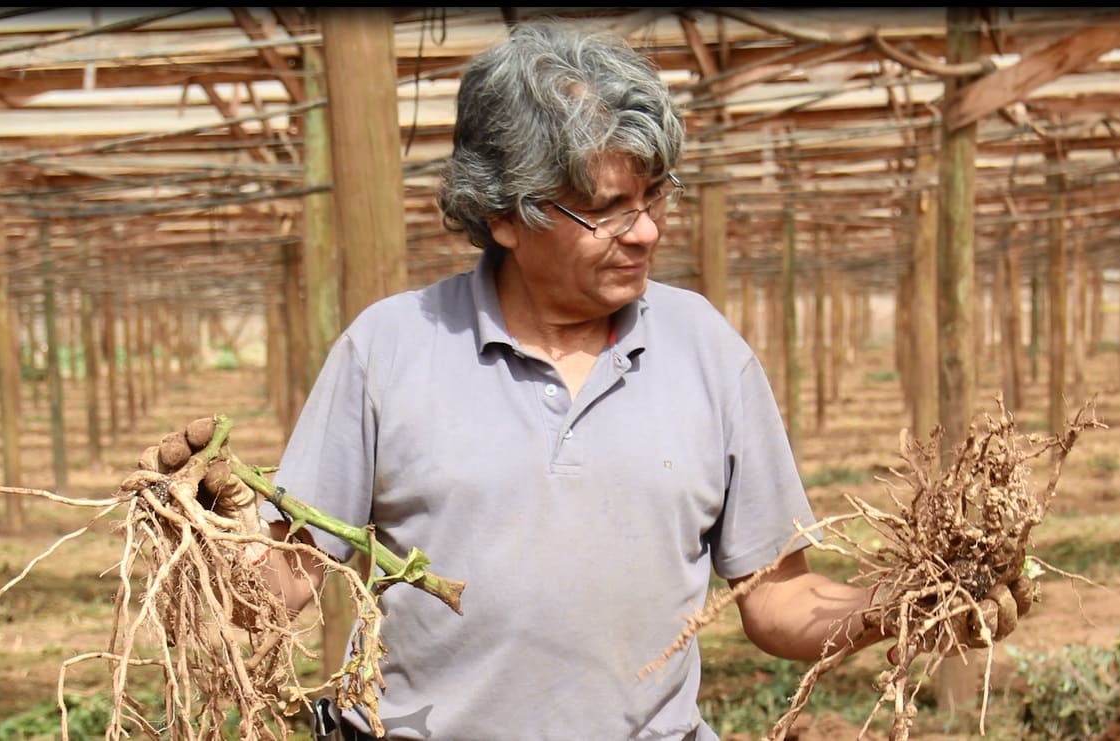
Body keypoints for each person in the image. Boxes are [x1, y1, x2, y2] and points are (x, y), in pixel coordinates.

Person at [240, 19, 1012, 741]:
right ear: (506, 215)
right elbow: (284, 578)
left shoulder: (705, 349)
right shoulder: (390, 349)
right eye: (604, 210)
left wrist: (901, 605)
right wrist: (209, 536)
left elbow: (776, 596)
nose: (643, 230)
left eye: (651, 196)